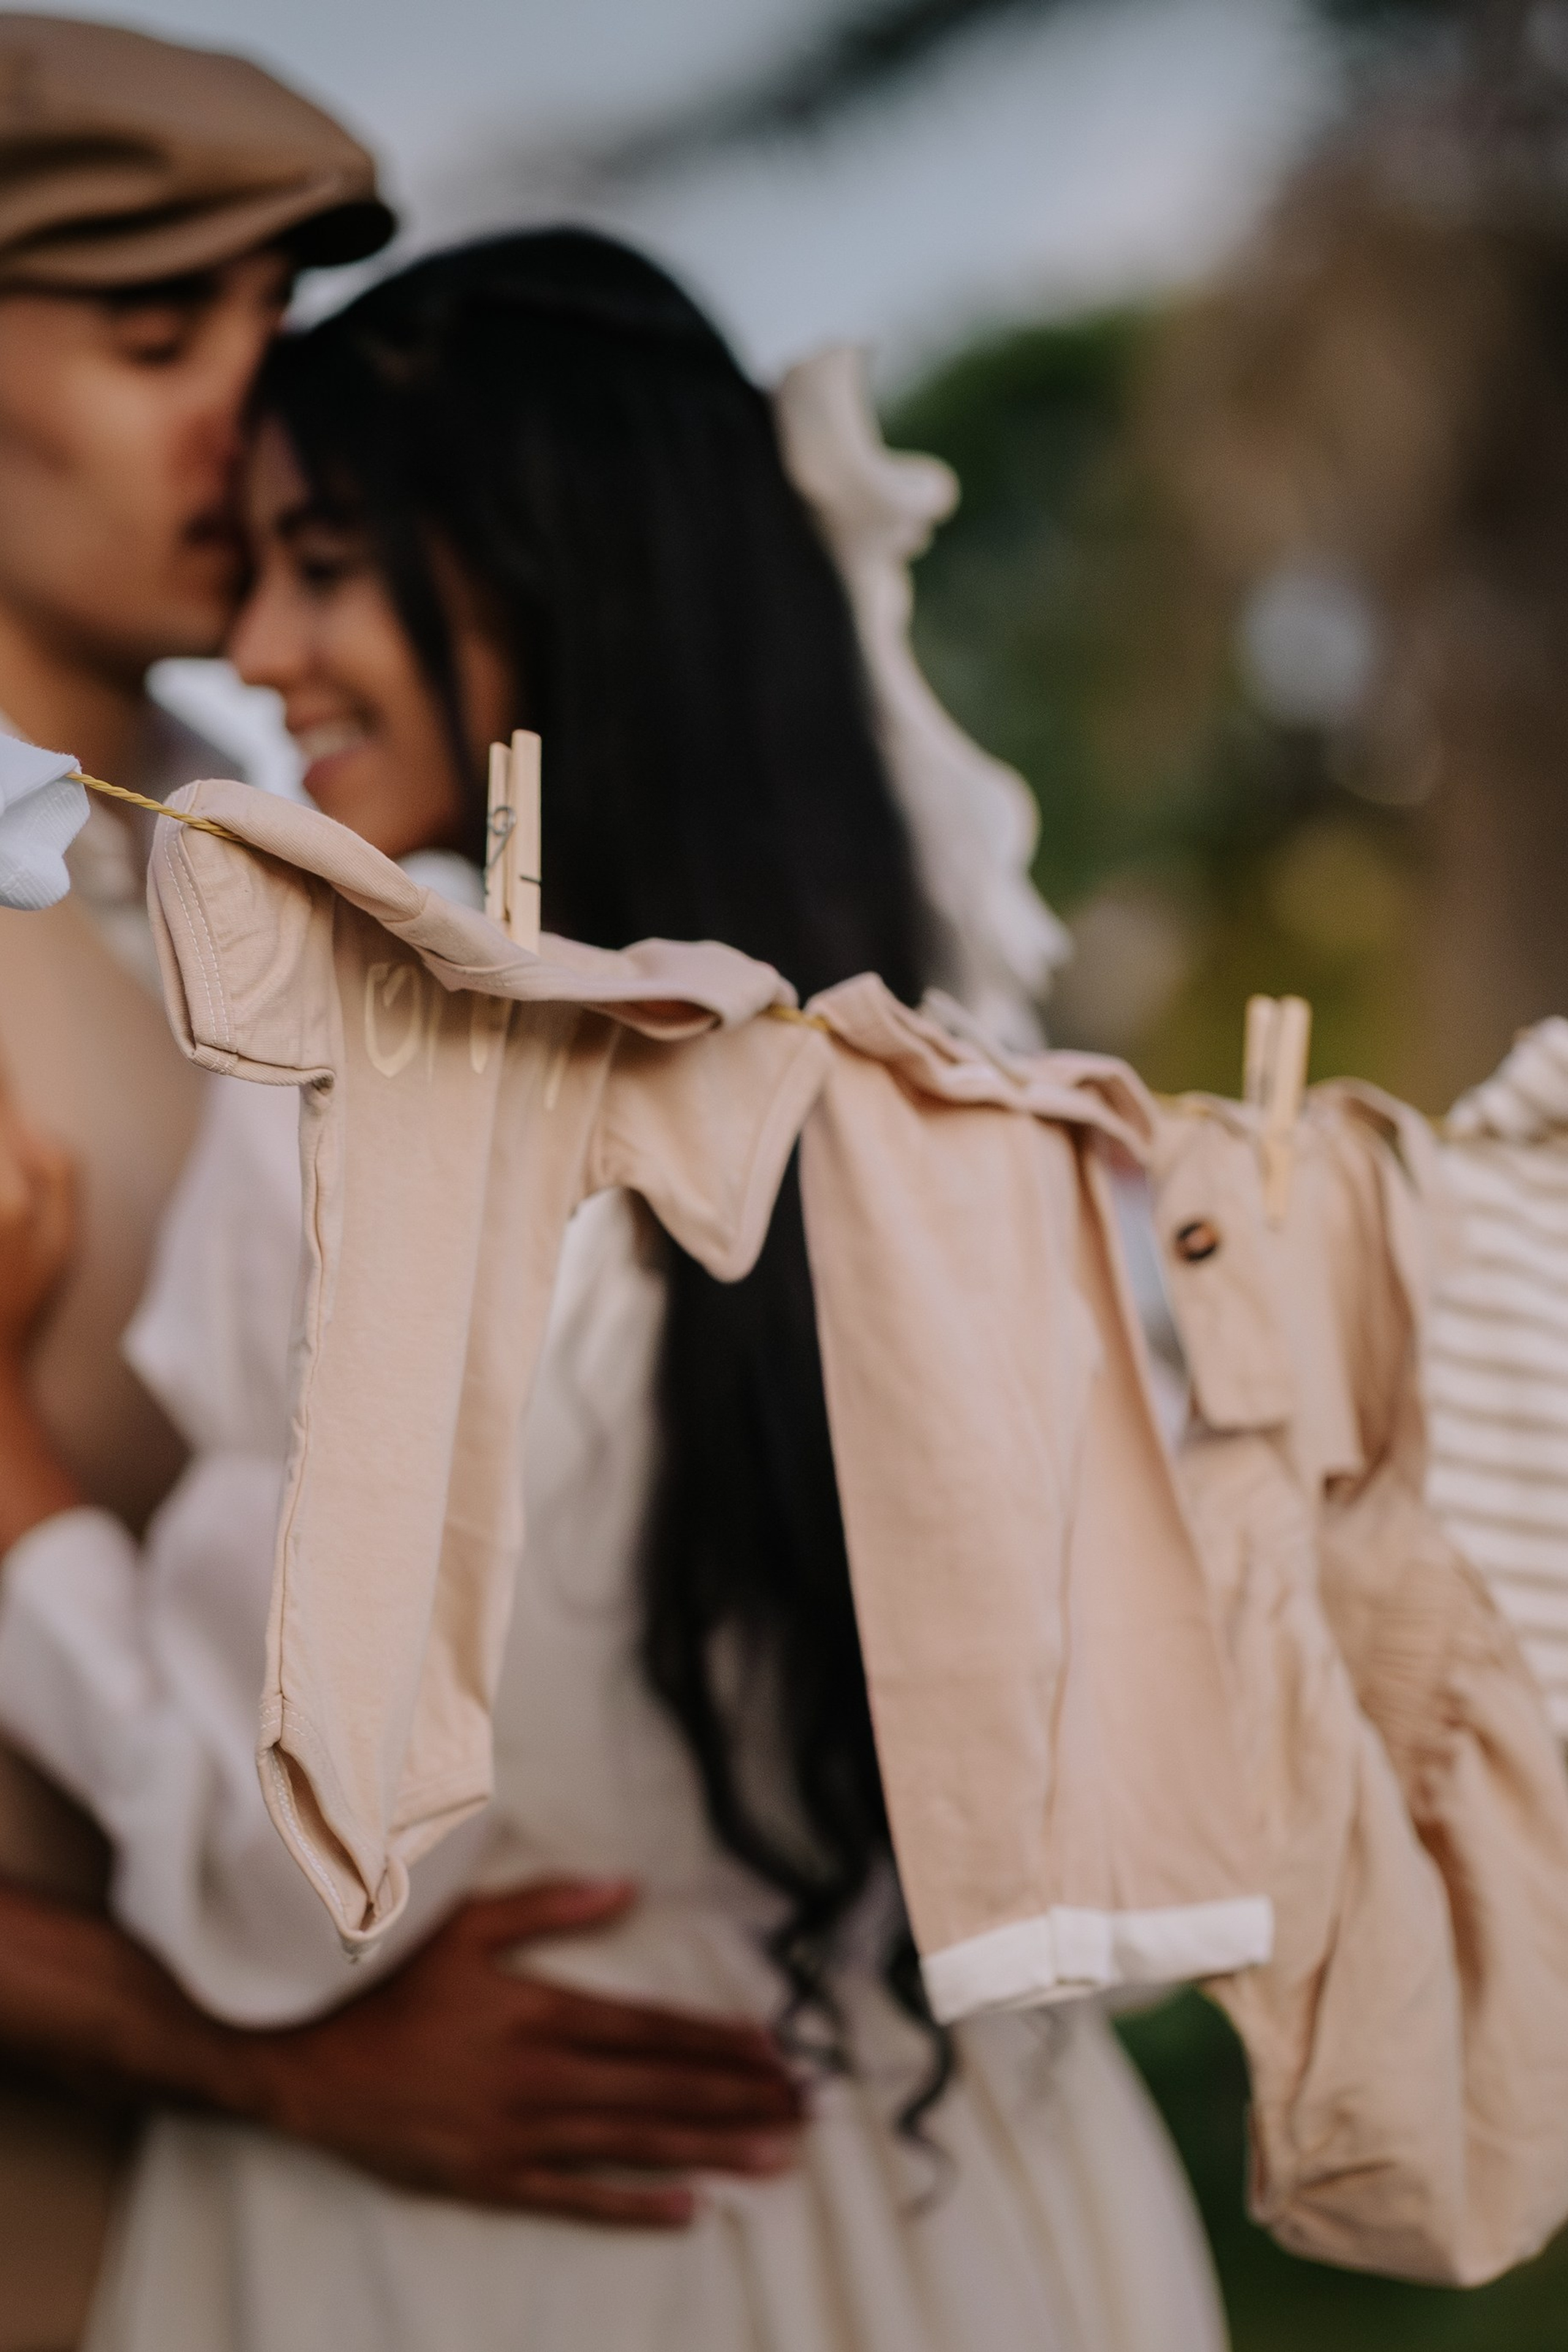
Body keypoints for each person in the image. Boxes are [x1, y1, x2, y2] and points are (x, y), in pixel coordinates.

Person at [0, 227, 1229, 2351]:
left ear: (545, 571)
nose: (261, 647)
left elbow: (265, 1873)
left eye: (323, 561)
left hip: (505, 2230)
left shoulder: (370, 1106)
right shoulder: (978, 1103)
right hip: (975, 2216)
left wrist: (10, 1472)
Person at [0, 26, 799, 2350]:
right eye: (163, 338)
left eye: (273, 329)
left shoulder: (371, 883)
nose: (254, 418)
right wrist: (280, 2058)